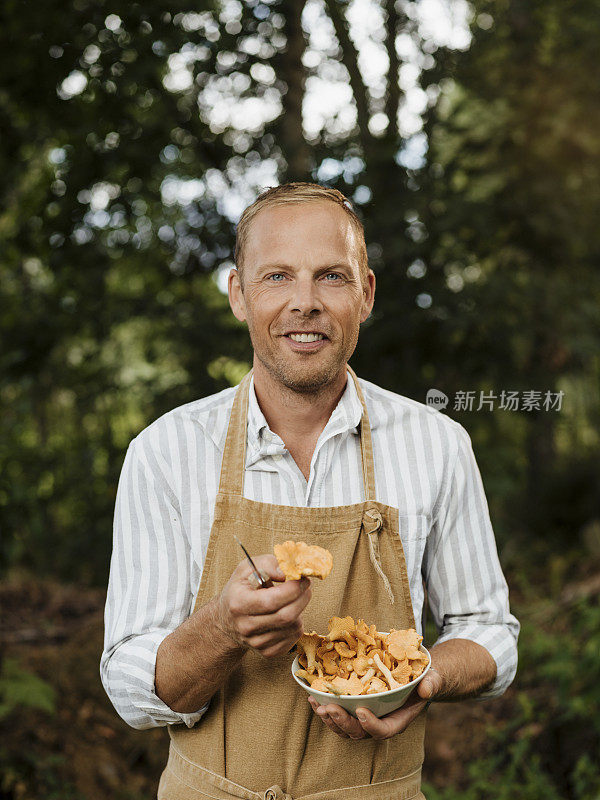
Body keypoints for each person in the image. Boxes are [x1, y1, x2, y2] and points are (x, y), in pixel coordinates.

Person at [101, 182, 519, 800]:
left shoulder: (439, 444)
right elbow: (132, 688)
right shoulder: (165, 452)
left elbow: (489, 631)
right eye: (276, 277)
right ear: (239, 296)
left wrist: (421, 679)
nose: (305, 302)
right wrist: (223, 628)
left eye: (331, 276)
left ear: (366, 293)